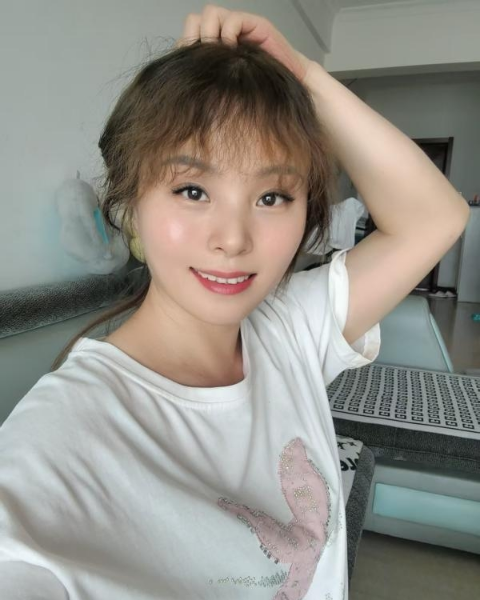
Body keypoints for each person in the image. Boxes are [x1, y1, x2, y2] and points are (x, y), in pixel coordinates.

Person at [0, 5, 469, 600]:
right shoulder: (58, 437)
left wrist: (302, 73)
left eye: (272, 197)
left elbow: (436, 217)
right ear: (130, 207)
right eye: (192, 189)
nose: (233, 239)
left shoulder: (288, 330)